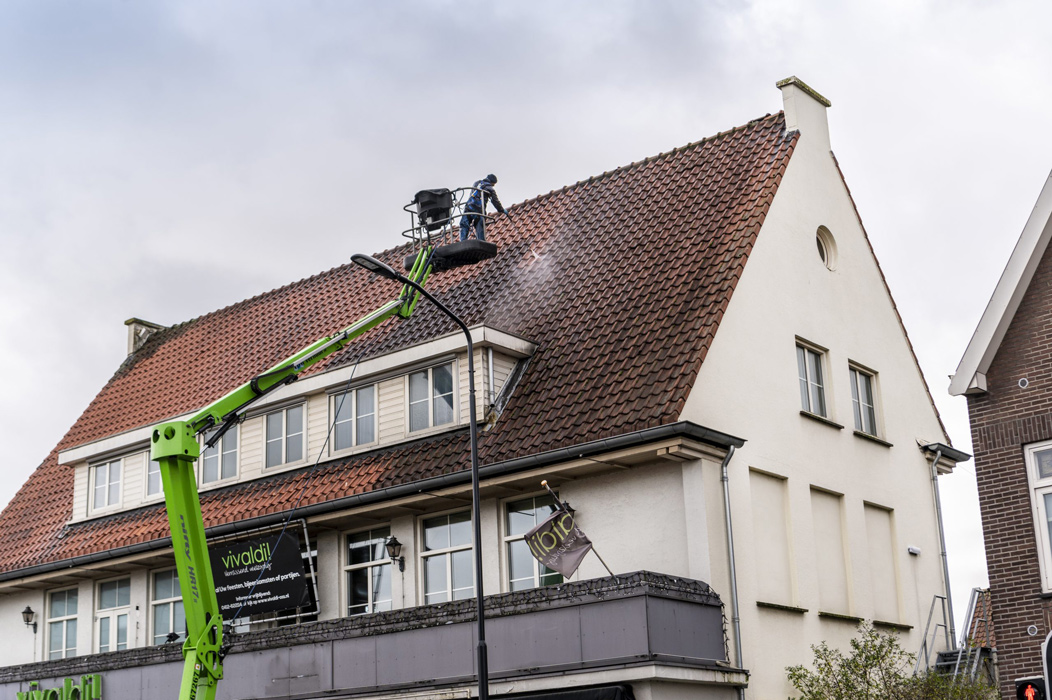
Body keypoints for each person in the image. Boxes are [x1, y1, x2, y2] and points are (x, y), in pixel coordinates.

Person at [459, 174, 508, 242]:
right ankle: (481, 242)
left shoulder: (476, 183)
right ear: (492, 182)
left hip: (468, 207)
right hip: (479, 210)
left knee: (464, 225)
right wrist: (501, 210)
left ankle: (463, 241)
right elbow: (495, 201)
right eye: (494, 184)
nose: (493, 185)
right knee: (480, 227)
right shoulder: (490, 189)